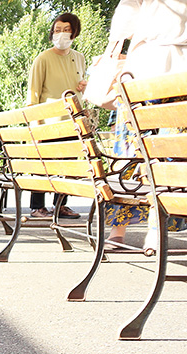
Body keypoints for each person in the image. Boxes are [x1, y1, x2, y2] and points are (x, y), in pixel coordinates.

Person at [101, 0, 187, 248]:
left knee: (133, 154)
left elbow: (122, 23)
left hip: (142, 73)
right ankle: (155, 229)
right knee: (173, 156)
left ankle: (118, 233)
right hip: (181, 74)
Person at [26, 13, 87, 220]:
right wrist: (36, 127)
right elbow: (33, 94)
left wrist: (84, 86)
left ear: (74, 32)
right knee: (44, 166)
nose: (60, 33)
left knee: (68, 166)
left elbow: (77, 86)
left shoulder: (79, 58)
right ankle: (37, 207)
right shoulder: (43, 58)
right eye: (57, 29)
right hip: (49, 122)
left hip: (72, 122)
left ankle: (60, 205)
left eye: (66, 29)